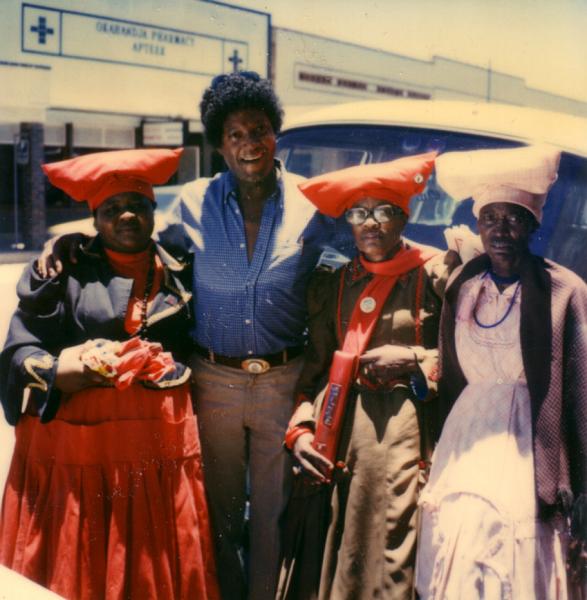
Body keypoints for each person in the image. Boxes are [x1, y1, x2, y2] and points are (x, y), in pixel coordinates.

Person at [37, 71, 355, 600]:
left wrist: (449, 256)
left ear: (275, 133)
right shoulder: (193, 201)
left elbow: (371, 249)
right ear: (219, 144)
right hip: (213, 383)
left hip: (283, 380)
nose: (248, 143)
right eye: (234, 134)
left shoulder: (313, 202)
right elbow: (135, 242)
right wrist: (73, 242)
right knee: (218, 511)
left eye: (258, 130)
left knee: (275, 515)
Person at [0, 149, 220, 600]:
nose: (126, 216)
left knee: (148, 562)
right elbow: (19, 352)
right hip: (83, 446)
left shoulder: (181, 268)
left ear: (154, 212)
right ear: (95, 219)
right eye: (112, 209)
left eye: (138, 206)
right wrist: (64, 367)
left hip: (155, 445)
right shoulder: (63, 271)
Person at [278, 153, 458, 600]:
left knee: (390, 551)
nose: (370, 223)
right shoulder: (334, 284)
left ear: (404, 216)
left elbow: (471, 360)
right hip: (336, 434)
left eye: (383, 212)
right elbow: (315, 373)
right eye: (359, 213)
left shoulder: (435, 274)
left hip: (403, 434)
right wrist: (300, 431)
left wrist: (415, 357)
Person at [415, 145, 587, 599]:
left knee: (513, 557)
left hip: (527, 444)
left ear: (532, 224)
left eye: (513, 218)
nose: (501, 230)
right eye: (490, 218)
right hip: (465, 441)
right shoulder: (464, 285)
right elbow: (449, 372)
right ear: (477, 225)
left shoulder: (565, 290)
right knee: (459, 542)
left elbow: (580, 393)